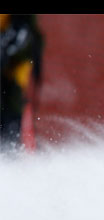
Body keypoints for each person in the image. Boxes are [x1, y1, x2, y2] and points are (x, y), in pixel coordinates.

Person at [0, 14, 43, 152]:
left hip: (15, 65)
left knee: (12, 106)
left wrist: (5, 47)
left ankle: (8, 152)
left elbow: (24, 30)